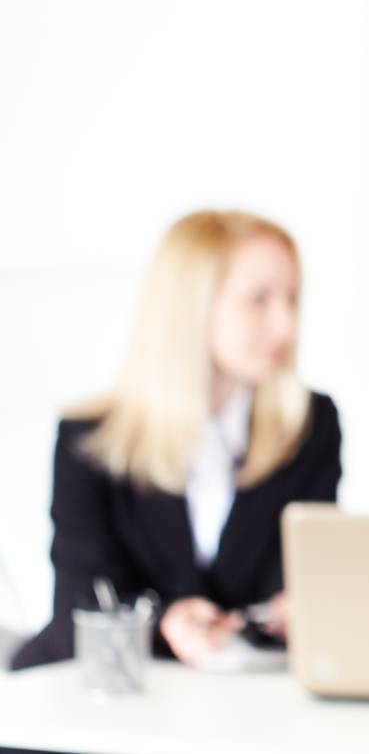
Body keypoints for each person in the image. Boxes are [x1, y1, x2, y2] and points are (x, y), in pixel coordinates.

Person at [9, 210, 341, 670]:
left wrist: (303, 609)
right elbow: (81, 604)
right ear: (192, 308)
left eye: (291, 299)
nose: (285, 325)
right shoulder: (89, 438)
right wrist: (165, 622)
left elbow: (310, 572)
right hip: (96, 691)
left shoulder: (309, 425)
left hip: (235, 699)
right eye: (259, 299)